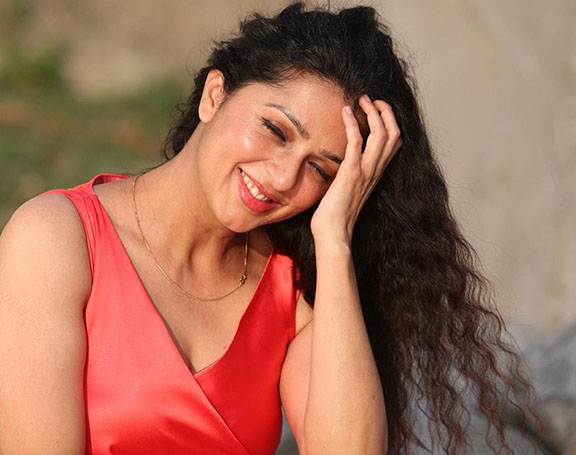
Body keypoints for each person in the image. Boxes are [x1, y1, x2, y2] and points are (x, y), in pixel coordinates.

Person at [0, 2, 542, 454]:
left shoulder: (289, 291)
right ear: (214, 95)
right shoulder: (56, 240)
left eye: (321, 169)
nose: (284, 178)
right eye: (275, 130)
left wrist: (334, 242)